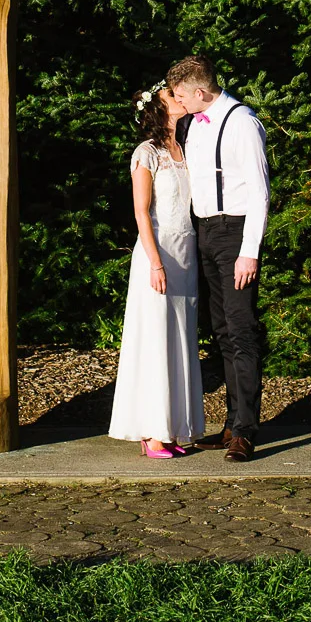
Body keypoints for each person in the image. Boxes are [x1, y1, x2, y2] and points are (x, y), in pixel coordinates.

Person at [168, 54, 270, 463]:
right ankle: (230, 424)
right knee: (223, 332)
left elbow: (260, 192)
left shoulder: (242, 122)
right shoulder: (194, 124)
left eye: (180, 96)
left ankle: (246, 430)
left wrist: (249, 251)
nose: (178, 103)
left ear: (199, 91)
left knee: (242, 331)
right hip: (205, 232)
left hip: (235, 232)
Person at [108, 81, 205, 458]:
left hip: (187, 253)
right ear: (156, 109)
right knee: (155, 341)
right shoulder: (146, 154)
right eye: (171, 96)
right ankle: (152, 433)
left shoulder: (185, 148)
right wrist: (154, 262)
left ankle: (174, 427)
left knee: (180, 340)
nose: (179, 99)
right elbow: (140, 211)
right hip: (158, 253)